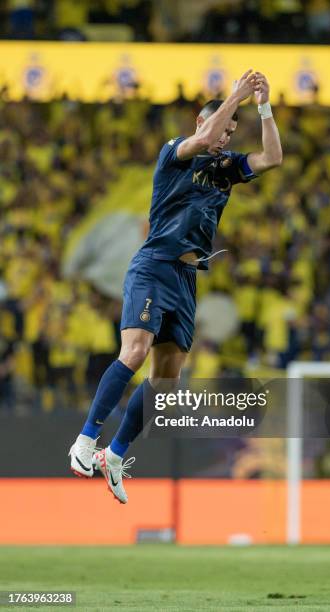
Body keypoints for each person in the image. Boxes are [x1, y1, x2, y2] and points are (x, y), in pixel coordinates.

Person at [69, 69, 283, 503]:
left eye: (231, 132)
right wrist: (237, 95)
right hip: (154, 265)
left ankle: (114, 454)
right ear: (202, 123)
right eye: (222, 128)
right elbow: (204, 140)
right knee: (135, 350)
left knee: (165, 382)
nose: (226, 138)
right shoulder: (175, 153)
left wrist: (263, 106)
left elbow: (272, 158)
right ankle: (85, 442)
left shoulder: (225, 170)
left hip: (186, 278)